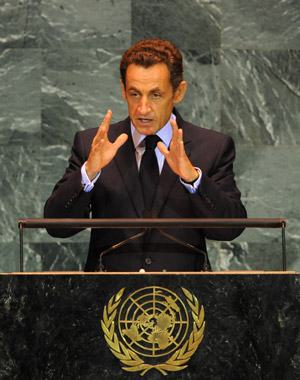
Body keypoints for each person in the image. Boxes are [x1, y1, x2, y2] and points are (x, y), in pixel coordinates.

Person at [44, 39, 247, 272]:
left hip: (184, 300)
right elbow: (56, 226)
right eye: (134, 94)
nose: (142, 108)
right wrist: (89, 172)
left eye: (156, 95)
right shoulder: (93, 145)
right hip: (109, 299)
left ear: (179, 92)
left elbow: (229, 229)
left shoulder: (212, 146)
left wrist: (193, 179)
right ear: (123, 90)